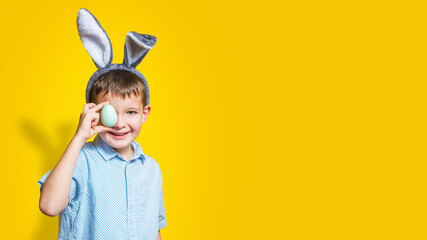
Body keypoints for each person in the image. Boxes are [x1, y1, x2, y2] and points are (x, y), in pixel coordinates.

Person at [38, 9, 166, 240]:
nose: (119, 123)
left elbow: (154, 230)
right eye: (110, 112)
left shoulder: (152, 170)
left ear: (144, 113)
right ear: (93, 111)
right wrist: (79, 138)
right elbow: (49, 206)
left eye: (131, 112)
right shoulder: (82, 161)